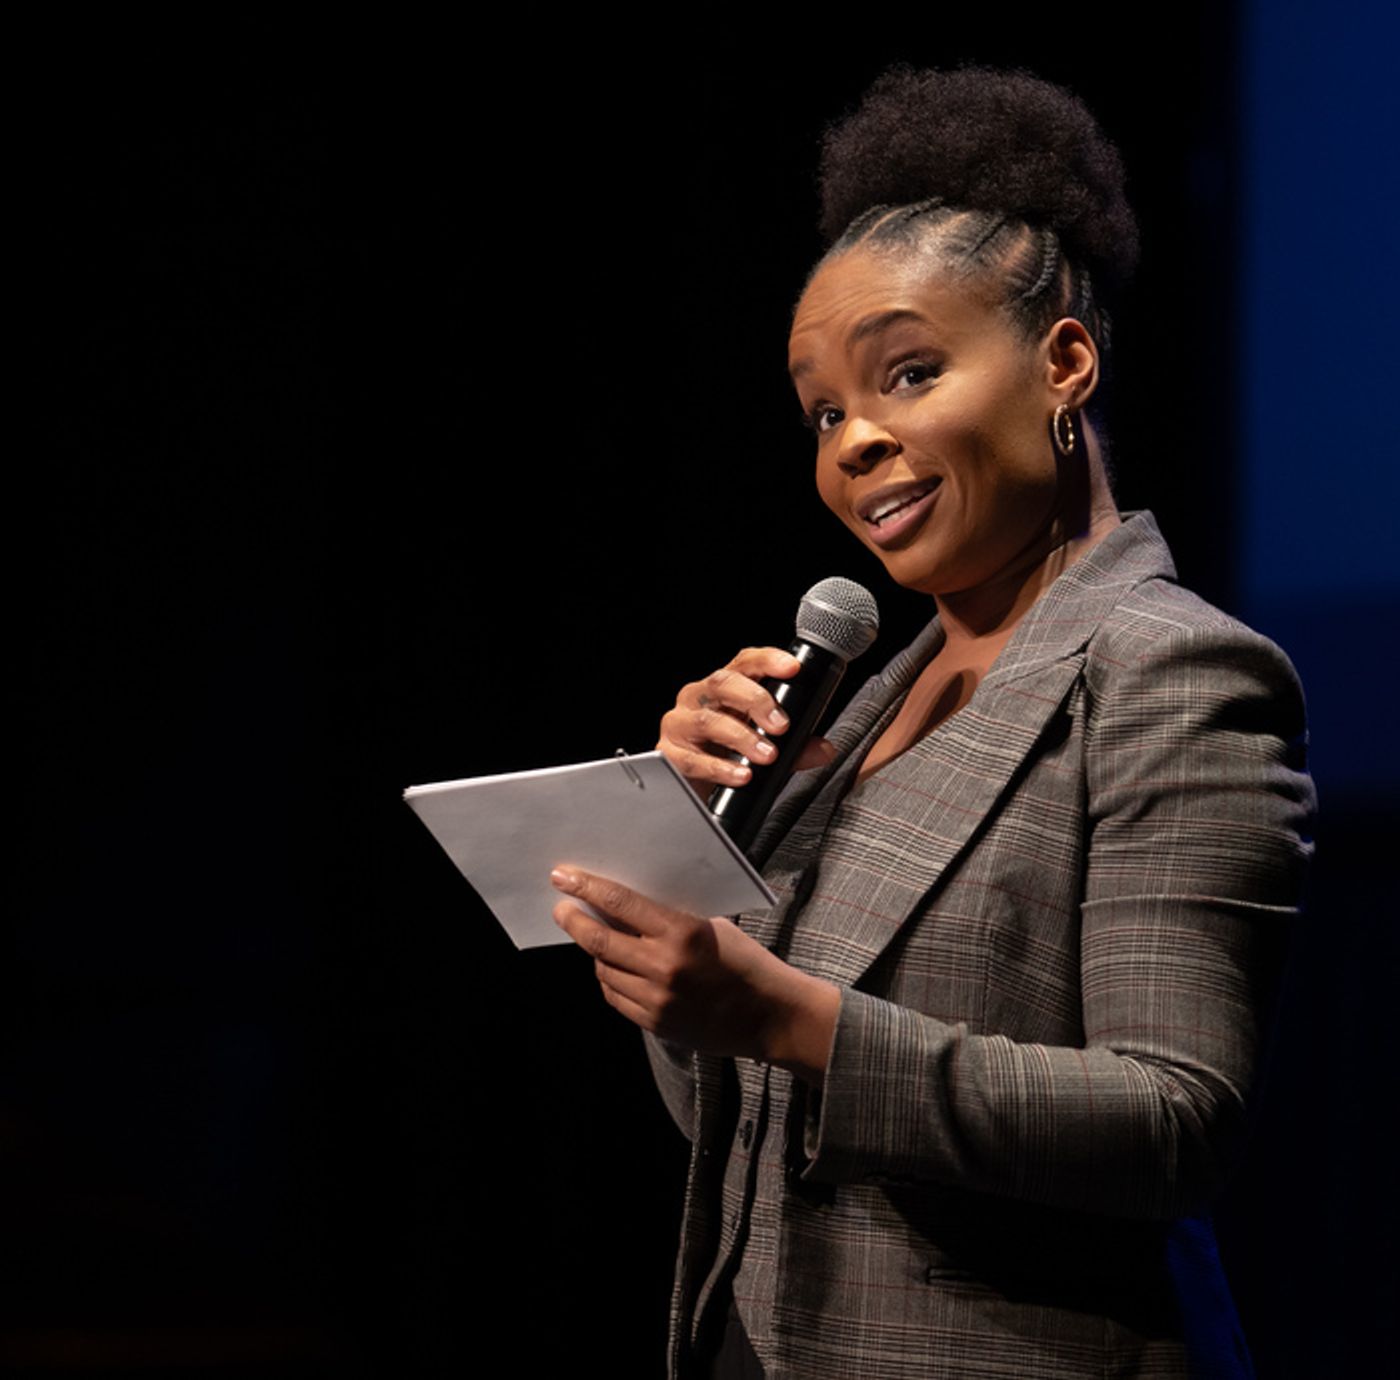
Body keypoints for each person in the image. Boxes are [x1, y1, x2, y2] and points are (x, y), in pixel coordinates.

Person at [550, 67, 1315, 1379]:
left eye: (909, 372)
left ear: (1064, 362)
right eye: (827, 411)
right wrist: (677, 892)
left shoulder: (1171, 673)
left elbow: (1175, 1123)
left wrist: (792, 1016)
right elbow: (733, 1123)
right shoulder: (843, 713)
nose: (854, 441)